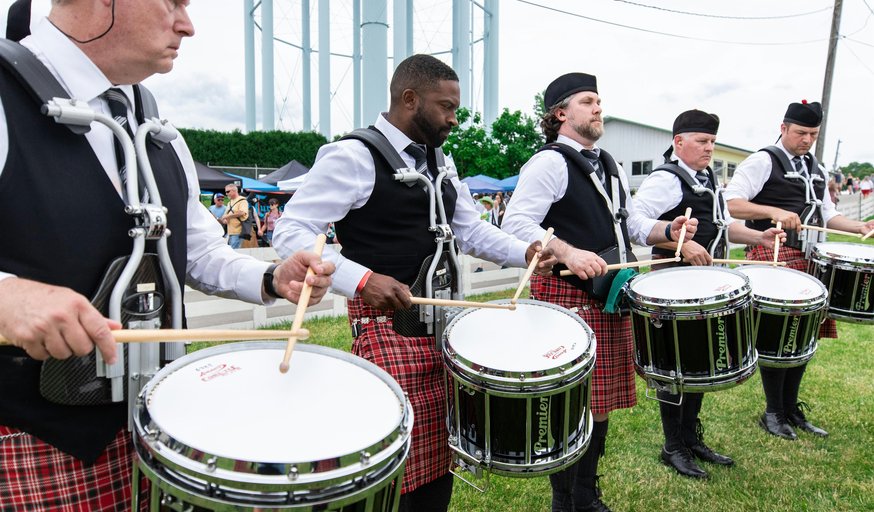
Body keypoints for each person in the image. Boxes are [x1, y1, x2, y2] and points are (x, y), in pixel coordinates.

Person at [0, 2, 335, 510]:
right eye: (172, 2)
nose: (187, 25)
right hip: (33, 442)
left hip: (160, 423)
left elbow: (197, 250)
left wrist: (270, 277)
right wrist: (8, 297)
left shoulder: (157, 130)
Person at [272, 54, 555, 512]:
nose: (454, 118)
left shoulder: (441, 159)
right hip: (388, 328)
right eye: (446, 107)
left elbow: (470, 229)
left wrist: (525, 252)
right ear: (409, 99)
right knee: (395, 465)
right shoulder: (353, 155)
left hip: (446, 328)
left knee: (441, 459)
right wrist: (361, 279)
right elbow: (291, 231)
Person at [501, 72, 696, 512]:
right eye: (588, 101)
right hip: (566, 294)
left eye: (599, 101)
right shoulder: (549, 163)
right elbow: (516, 222)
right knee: (570, 402)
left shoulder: (609, 164)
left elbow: (629, 224)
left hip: (608, 295)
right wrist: (566, 251)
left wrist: (669, 230)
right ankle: (564, 501)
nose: (598, 108)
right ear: (560, 113)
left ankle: (587, 496)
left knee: (599, 402)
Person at [632, 109, 785, 479]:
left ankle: (690, 438)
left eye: (712, 142)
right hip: (671, 285)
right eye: (702, 141)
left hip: (702, 284)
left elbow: (724, 226)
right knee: (674, 366)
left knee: (697, 362)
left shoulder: (708, 178)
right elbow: (634, 220)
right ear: (678, 142)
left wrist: (760, 236)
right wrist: (678, 241)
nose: (709, 148)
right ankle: (673, 446)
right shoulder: (665, 179)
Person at [725, 100, 874, 440]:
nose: (807, 140)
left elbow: (828, 214)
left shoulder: (816, 168)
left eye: (813, 134)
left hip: (809, 258)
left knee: (804, 337)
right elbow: (732, 203)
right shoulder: (764, 160)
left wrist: (859, 226)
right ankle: (773, 412)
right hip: (773, 252)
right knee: (779, 337)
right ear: (783, 128)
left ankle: (791, 409)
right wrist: (773, 211)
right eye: (801, 133)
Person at [221, 182, 249, 248]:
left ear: (234, 191)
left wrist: (227, 216)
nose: (226, 194)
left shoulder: (242, 200)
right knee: (230, 250)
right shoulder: (229, 202)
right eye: (225, 192)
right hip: (230, 232)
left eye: (228, 191)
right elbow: (225, 215)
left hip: (238, 231)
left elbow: (242, 212)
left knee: (234, 250)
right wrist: (225, 220)